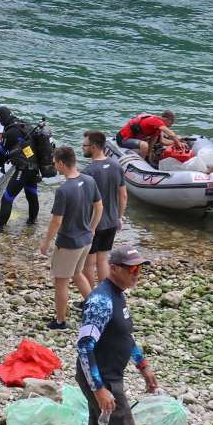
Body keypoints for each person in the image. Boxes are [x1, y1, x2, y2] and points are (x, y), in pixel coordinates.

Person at [67, 245, 159, 425]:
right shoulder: (101, 300)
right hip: (102, 378)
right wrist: (99, 388)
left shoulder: (119, 295)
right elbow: (84, 345)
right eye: (133, 269)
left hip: (107, 376)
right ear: (114, 269)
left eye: (140, 268)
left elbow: (124, 337)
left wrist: (143, 366)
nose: (137, 274)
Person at [39, 146, 102, 330]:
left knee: (61, 281)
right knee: (77, 273)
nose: (54, 166)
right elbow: (99, 207)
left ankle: (60, 321)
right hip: (85, 241)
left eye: (54, 163)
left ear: (60, 163)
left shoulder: (64, 190)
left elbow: (56, 222)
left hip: (68, 243)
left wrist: (46, 243)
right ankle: (96, 309)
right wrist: (92, 228)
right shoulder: (89, 180)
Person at [82, 131, 127, 288]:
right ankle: (105, 295)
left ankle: (92, 295)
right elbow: (123, 196)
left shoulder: (88, 172)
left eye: (84, 145)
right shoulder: (116, 166)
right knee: (102, 260)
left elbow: (83, 203)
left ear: (94, 147)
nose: (82, 148)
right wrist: (119, 217)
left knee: (88, 264)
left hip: (93, 225)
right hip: (112, 222)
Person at [0, 107, 40, 230]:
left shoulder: (10, 132)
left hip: (23, 169)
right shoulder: (24, 125)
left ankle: (0, 229)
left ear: (2, 119)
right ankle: (32, 223)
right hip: (35, 168)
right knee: (31, 194)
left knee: (7, 198)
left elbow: (1, 155)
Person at [115, 111, 181, 160]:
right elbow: (170, 133)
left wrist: (176, 142)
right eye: (171, 123)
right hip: (122, 139)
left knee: (153, 146)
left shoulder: (158, 129)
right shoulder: (155, 121)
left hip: (134, 139)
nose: (170, 126)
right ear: (166, 119)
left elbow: (161, 141)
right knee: (144, 145)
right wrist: (177, 142)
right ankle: (141, 164)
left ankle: (146, 159)